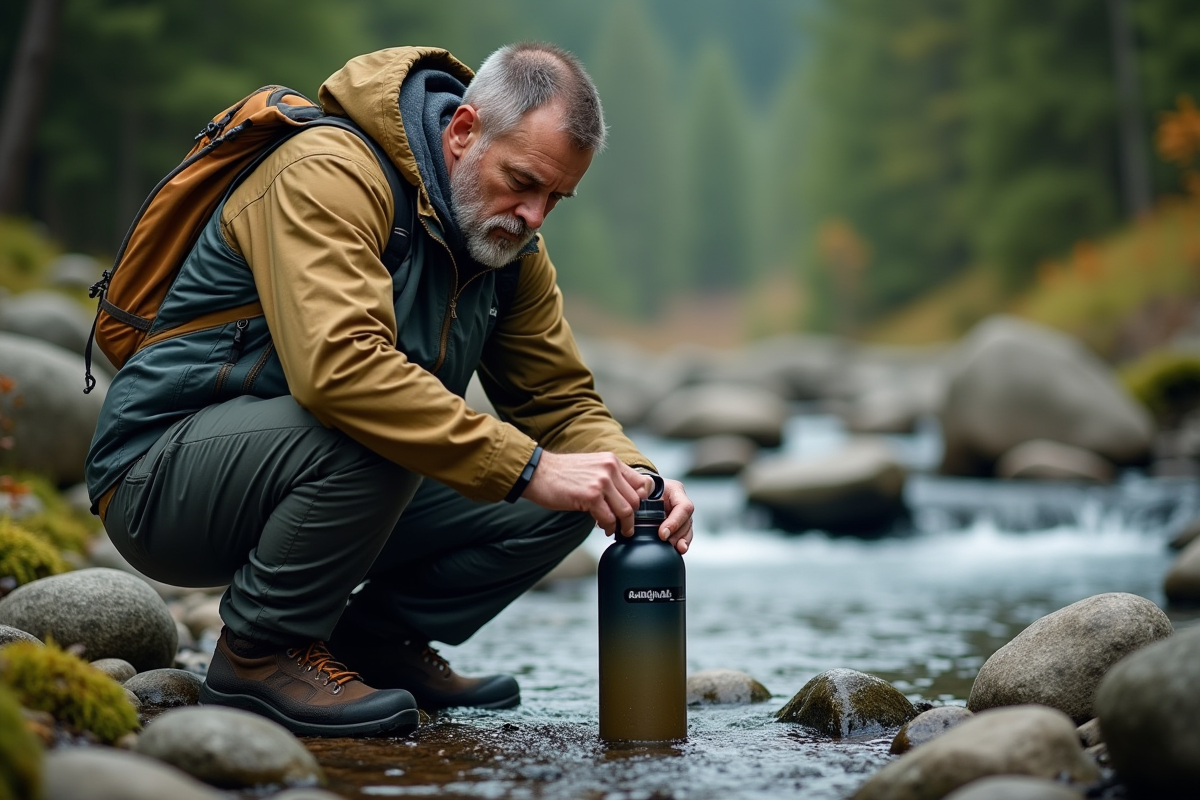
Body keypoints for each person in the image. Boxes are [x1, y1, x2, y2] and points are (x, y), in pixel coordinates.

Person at [85, 42, 695, 738]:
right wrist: (528, 466)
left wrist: (640, 481)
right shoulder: (328, 171)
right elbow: (341, 370)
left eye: (555, 197)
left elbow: (559, 400)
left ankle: (370, 645)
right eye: (523, 181)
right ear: (462, 130)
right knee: (389, 426)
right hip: (161, 475)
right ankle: (261, 651)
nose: (534, 215)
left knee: (587, 490)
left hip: (315, 476)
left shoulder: (507, 244)